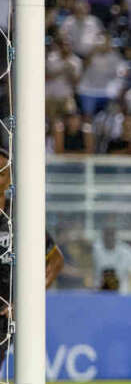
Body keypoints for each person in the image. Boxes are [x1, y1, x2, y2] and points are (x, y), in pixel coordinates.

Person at [0, 147, 64, 363]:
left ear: (10, 179)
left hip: (6, 315)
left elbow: (55, 260)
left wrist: (26, 301)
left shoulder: (21, 218)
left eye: (1, 173)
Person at [91, 227, 131, 293]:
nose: (109, 238)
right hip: (99, 291)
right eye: (107, 235)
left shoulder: (127, 251)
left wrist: (115, 281)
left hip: (121, 291)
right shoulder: (96, 250)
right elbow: (90, 270)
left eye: (111, 235)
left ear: (115, 236)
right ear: (103, 237)